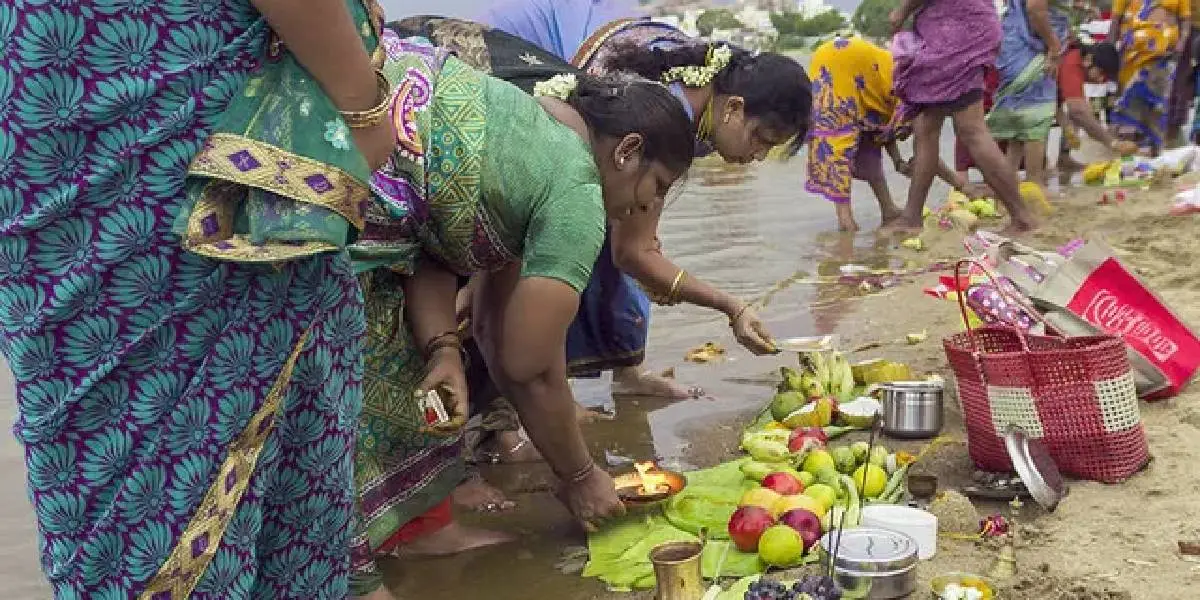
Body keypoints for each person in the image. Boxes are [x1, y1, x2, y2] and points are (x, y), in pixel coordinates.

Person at [0, 0, 394, 596]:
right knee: (188, 478)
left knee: (117, 478)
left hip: (46, 108)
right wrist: (363, 109)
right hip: (172, 142)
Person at [346, 29, 697, 600]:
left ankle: (410, 535)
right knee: (335, 397)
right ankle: (340, 571)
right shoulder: (576, 190)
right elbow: (531, 366)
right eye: (654, 188)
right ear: (627, 151)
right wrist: (580, 476)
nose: (642, 208)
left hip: (357, 160)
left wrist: (443, 350)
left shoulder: (533, 121)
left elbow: (448, 261)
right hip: (328, 197)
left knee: (418, 376)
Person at [482, 7, 810, 401]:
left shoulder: (702, 88)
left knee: (624, 214)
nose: (757, 155)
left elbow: (638, 234)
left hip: (582, 23)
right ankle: (521, 408)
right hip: (518, 55)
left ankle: (623, 372)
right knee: (557, 235)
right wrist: (731, 307)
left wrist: (650, 252)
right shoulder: (669, 109)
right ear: (734, 108)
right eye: (761, 138)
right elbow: (631, 252)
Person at [888, 0, 1039, 233]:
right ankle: (911, 215)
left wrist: (902, 11)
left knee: (968, 130)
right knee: (929, 126)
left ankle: (1022, 216)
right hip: (970, 29)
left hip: (956, 36)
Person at [805, 36, 972, 232]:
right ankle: (845, 221)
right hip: (840, 65)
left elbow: (883, 128)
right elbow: (927, 150)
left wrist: (898, 161)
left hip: (855, 67)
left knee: (867, 138)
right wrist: (961, 186)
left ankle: (888, 210)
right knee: (838, 141)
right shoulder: (925, 98)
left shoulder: (914, 95)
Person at [985, 0, 1071, 197]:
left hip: (1019, 44)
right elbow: (1035, 9)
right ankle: (1034, 185)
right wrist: (1054, 45)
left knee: (1018, 128)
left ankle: (1006, 187)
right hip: (1030, 48)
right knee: (1035, 116)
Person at [1109, 0, 1192, 155]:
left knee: (1158, 109)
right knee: (1129, 112)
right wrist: (1109, 51)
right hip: (1132, 59)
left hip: (1164, 59)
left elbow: (1185, 21)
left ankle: (1155, 161)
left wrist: (1181, 43)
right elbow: (1116, 19)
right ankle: (1127, 163)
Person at [1167, 0, 1200, 144]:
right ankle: (1172, 129)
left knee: (1185, 81)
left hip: (1190, 28)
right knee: (1181, 81)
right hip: (1185, 26)